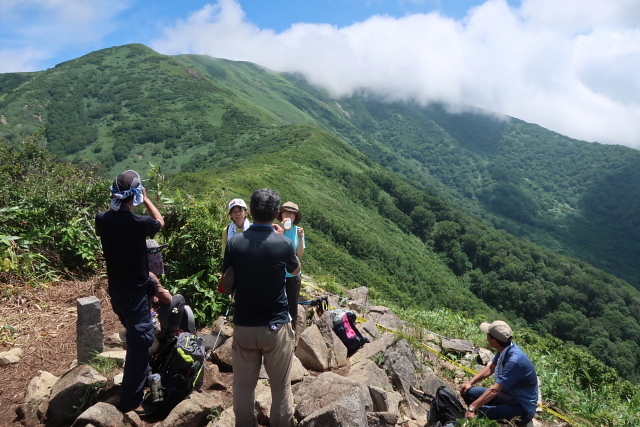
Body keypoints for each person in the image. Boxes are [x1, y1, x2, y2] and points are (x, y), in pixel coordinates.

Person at [221, 188, 300, 427]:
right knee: (281, 387)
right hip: (276, 326)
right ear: (277, 214)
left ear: (250, 211)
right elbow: (295, 270)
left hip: (244, 324)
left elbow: (226, 279)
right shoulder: (283, 243)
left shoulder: (235, 242)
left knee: (243, 386)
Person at [95, 170, 164, 415]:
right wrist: (146, 199)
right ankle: (130, 401)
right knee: (140, 343)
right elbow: (160, 222)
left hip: (117, 294)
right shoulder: (139, 223)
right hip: (136, 295)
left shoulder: (102, 219)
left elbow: (112, 217)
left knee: (136, 337)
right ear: (134, 195)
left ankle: (143, 379)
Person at [459, 320, 538, 426]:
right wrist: (470, 383)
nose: (486, 337)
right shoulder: (505, 349)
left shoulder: (514, 361)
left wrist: (473, 407)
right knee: (468, 393)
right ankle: (489, 413)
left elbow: (495, 390)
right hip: (508, 395)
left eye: (488, 335)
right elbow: (491, 368)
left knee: (480, 410)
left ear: (494, 341)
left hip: (521, 406)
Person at [276, 201, 306, 331]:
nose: (288, 215)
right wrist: (281, 234)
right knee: (277, 302)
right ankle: (277, 329)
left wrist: (300, 238)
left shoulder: (297, 231)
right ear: (281, 214)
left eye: (291, 213)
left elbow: (299, 254)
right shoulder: (275, 229)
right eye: (285, 212)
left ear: (295, 217)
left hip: (293, 274)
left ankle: (292, 330)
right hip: (278, 273)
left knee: (292, 304)